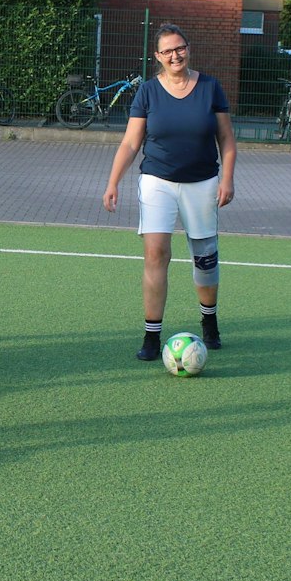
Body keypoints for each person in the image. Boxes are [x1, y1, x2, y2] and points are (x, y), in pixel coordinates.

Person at [101, 23, 236, 361]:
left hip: (203, 182)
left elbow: (227, 140)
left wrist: (227, 179)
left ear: (188, 48)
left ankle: (209, 320)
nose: (175, 55)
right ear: (157, 57)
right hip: (157, 182)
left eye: (180, 48)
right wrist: (113, 181)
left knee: (205, 259)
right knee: (156, 254)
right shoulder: (147, 92)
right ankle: (151, 335)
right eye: (167, 51)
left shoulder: (210, 87)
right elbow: (132, 142)